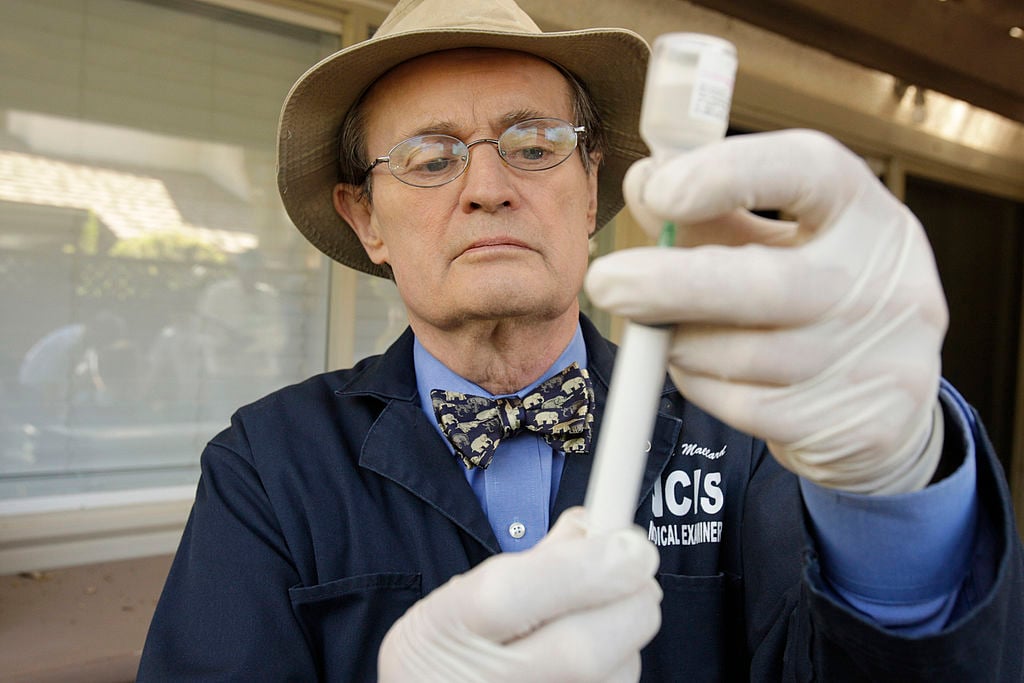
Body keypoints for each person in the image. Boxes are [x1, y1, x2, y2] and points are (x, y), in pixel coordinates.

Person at [138, 0, 1024, 680]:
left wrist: (899, 491)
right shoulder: (267, 464)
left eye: (533, 142)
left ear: (592, 184)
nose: (486, 186)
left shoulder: (745, 427)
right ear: (365, 217)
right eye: (430, 157)